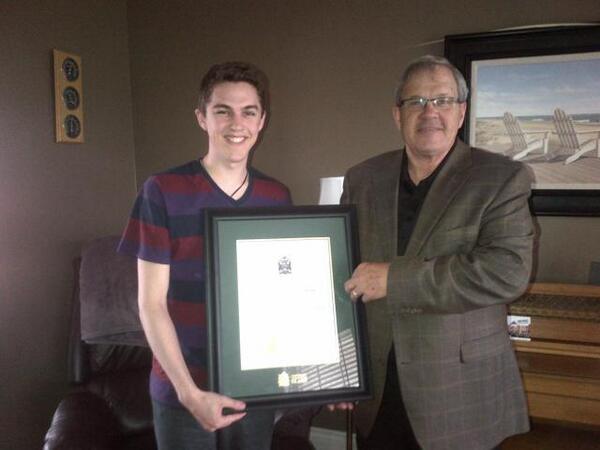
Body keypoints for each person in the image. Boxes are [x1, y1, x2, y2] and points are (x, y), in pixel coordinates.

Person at [340, 55, 534, 449]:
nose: (430, 112)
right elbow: (342, 273)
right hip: (378, 391)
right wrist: (340, 366)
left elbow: (507, 271)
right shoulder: (362, 178)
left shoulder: (501, 178)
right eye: (416, 101)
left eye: (442, 101)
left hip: (459, 394)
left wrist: (395, 280)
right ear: (397, 114)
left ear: (461, 112)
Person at [118, 61, 292, 450]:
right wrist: (189, 393)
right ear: (202, 117)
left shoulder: (276, 196)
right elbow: (150, 304)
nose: (237, 124)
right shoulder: (161, 190)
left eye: (249, 112)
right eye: (223, 111)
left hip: (254, 386)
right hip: (183, 390)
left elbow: (282, 295)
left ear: (262, 121)